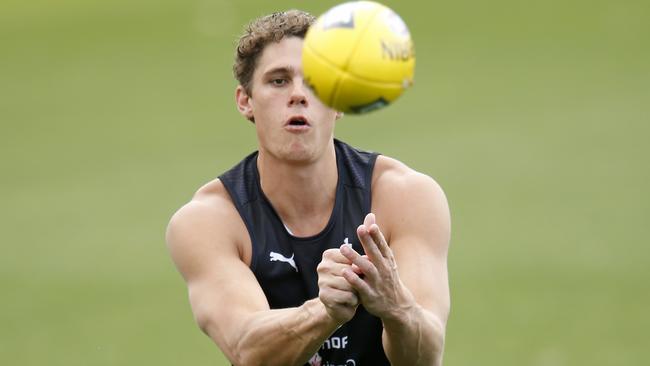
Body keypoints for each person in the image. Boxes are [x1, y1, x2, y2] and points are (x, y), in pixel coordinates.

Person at [166, 9, 451, 366]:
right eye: (278, 81)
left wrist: (397, 307)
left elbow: (425, 358)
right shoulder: (209, 221)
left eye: (316, 81)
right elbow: (248, 350)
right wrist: (323, 311)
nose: (299, 94)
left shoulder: (406, 196)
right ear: (245, 101)